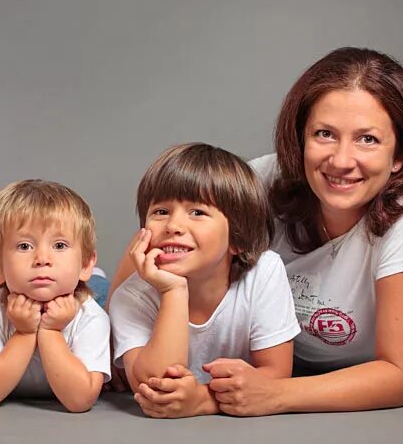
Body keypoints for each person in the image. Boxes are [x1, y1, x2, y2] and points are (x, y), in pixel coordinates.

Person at [111, 47, 403, 415]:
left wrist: (272, 395)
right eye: (324, 134)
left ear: (400, 156)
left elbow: (397, 377)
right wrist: (119, 344)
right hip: (253, 364)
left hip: (320, 380)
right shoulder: (268, 179)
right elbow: (167, 231)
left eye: (368, 139)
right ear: (299, 141)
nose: (342, 161)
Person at [110, 143, 300, 418]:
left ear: (237, 238)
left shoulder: (264, 271)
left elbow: (277, 373)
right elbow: (155, 390)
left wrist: (202, 399)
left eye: (197, 212)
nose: (173, 226)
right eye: (161, 211)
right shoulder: (131, 297)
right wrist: (173, 290)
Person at [0, 180, 110, 413]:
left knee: (105, 294)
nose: (42, 258)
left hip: (87, 292)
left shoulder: (91, 316)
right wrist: (23, 334)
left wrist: (52, 332)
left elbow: (80, 400)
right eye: (24, 246)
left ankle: (97, 280)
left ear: (85, 264)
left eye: (60, 245)